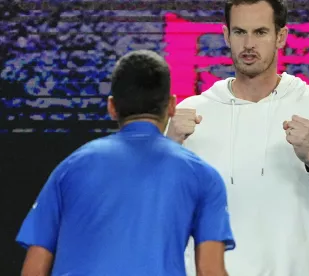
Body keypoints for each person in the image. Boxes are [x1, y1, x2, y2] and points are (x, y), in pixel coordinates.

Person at [166, 0, 309, 276]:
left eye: (260, 32)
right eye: (240, 32)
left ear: (281, 36)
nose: (249, 44)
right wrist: (167, 148)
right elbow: (157, 214)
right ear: (226, 35)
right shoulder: (191, 116)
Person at [16, 50, 235, 276]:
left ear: (112, 107)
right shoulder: (202, 176)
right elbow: (210, 272)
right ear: (171, 106)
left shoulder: (70, 168)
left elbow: (33, 270)